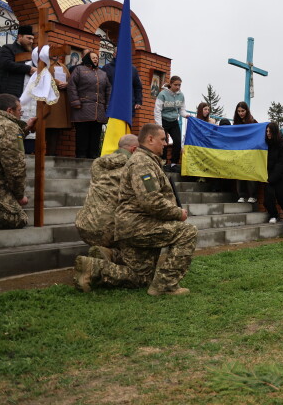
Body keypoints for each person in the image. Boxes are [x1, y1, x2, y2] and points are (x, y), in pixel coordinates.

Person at [73, 123, 198, 295]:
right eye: (162, 140)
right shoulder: (142, 163)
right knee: (187, 232)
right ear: (150, 139)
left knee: (141, 277)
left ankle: (94, 267)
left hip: (134, 225)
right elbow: (150, 200)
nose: (165, 144)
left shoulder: (146, 161)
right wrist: (178, 213)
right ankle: (165, 286)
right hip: (139, 225)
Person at [74, 134, 139, 262]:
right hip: (108, 231)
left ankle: (104, 251)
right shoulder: (134, 167)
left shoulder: (98, 163)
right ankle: (112, 254)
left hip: (84, 226)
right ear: (134, 150)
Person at [0, 94, 35, 229]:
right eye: (19, 111)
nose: (20, 114)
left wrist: (25, 129)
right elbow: (15, 168)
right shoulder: (9, 127)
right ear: (9, 111)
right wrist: (19, 195)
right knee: (18, 218)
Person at [67, 52, 110, 159]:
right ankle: (81, 156)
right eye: (93, 58)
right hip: (82, 108)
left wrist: (108, 106)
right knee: (83, 133)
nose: (95, 59)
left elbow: (108, 90)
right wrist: (75, 101)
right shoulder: (79, 70)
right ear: (87, 58)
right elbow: (71, 86)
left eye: (97, 58)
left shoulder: (102, 73)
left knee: (96, 134)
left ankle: (93, 156)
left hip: (99, 110)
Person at [153, 75, 188, 170]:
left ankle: (174, 163)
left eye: (179, 85)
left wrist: (187, 115)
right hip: (163, 120)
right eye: (176, 85)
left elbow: (182, 110)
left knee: (177, 140)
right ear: (171, 84)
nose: (177, 87)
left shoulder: (181, 95)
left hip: (173, 121)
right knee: (163, 141)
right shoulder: (163, 94)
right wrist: (159, 126)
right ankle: (163, 161)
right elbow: (157, 110)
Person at [44, 50, 72, 156]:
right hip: (48, 100)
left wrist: (67, 84)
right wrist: (57, 82)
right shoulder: (44, 65)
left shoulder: (63, 66)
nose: (55, 55)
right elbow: (41, 77)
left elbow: (70, 79)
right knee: (47, 127)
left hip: (61, 100)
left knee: (55, 130)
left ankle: (51, 154)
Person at [0, 25, 35, 97]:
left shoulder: (33, 53)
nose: (31, 41)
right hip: (11, 92)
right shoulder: (8, 48)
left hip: (29, 93)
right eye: (29, 38)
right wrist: (29, 69)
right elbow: (6, 63)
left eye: (32, 39)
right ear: (20, 36)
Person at [265, 122, 283, 224]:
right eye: (267, 131)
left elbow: (282, 164)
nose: (268, 133)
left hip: (280, 177)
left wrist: (271, 178)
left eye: (270, 131)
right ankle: (273, 215)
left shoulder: (282, 145)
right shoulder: (266, 144)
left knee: (282, 198)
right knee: (268, 199)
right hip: (269, 176)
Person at [103, 49, 143, 113]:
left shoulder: (132, 69)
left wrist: (138, 102)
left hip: (128, 105)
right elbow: (102, 85)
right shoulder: (106, 68)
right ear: (114, 54)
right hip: (111, 104)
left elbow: (137, 87)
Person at [232, 102, 257, 202]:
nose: (241, 113)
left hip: (250, 153)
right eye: (239, 111)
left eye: (242, 111)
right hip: (239, 153)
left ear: (247, 111)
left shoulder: (253, 122)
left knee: (250, 173)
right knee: (240, 174)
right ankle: (241, 195)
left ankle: (253, 196)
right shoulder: (236, 123)